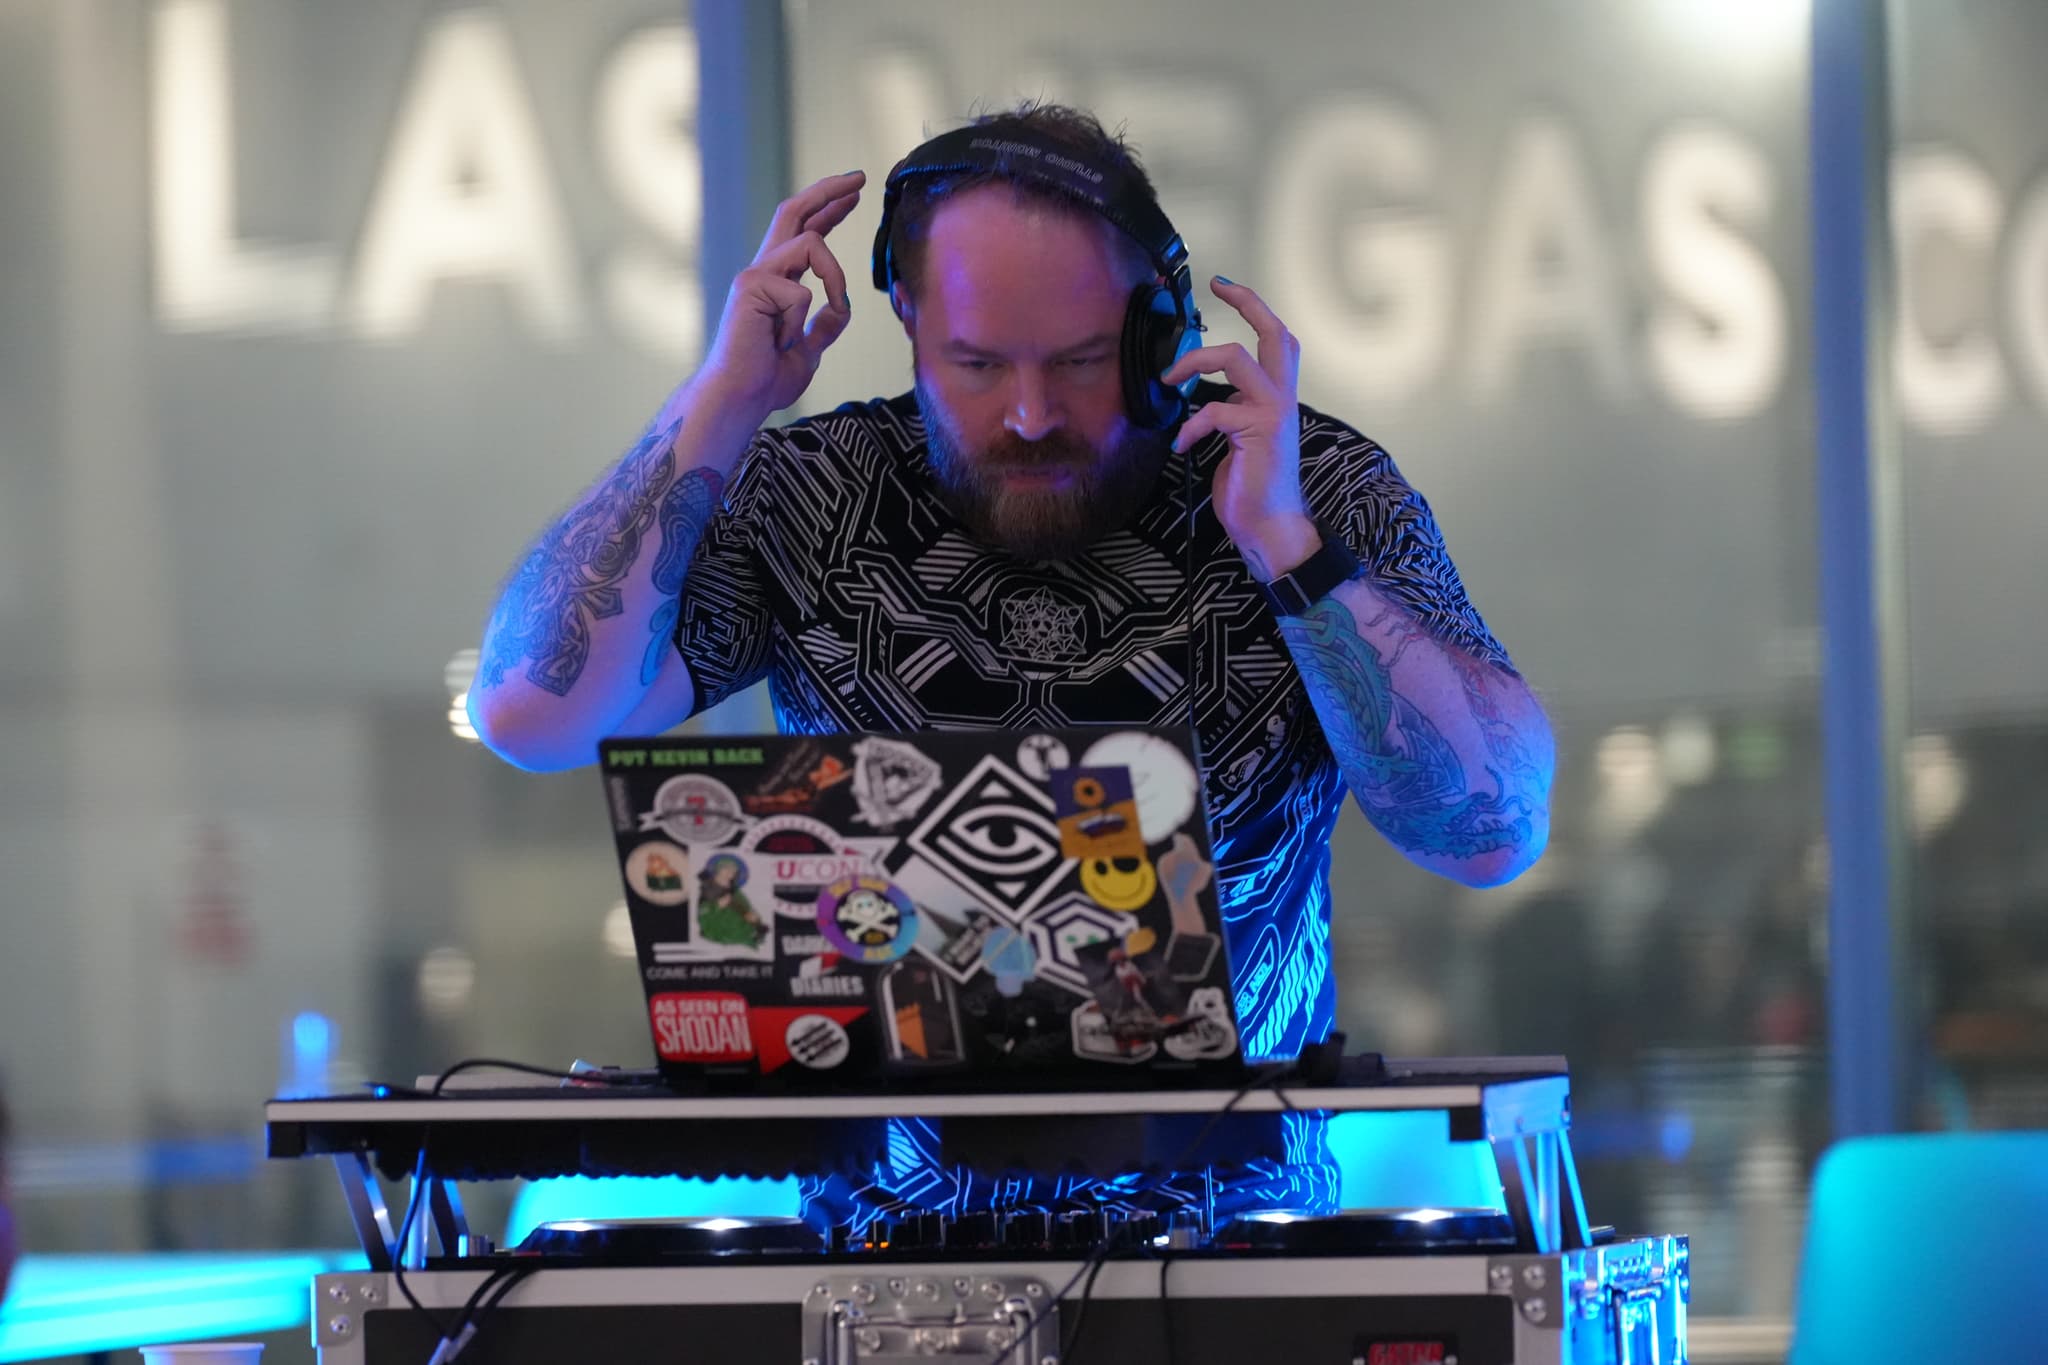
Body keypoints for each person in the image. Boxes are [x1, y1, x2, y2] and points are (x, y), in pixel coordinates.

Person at [471, 102, 1553, 1221]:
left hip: (1239, 1267)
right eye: (977, 363)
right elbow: (526, 712)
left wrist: (1286, 547)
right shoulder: (812, 498)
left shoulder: (1298, 482)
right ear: (904, 315)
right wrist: (716, 406)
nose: (1029, 415)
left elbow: (1492, 829)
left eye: (1081, 361)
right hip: (876, 1283)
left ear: (1157, 331)